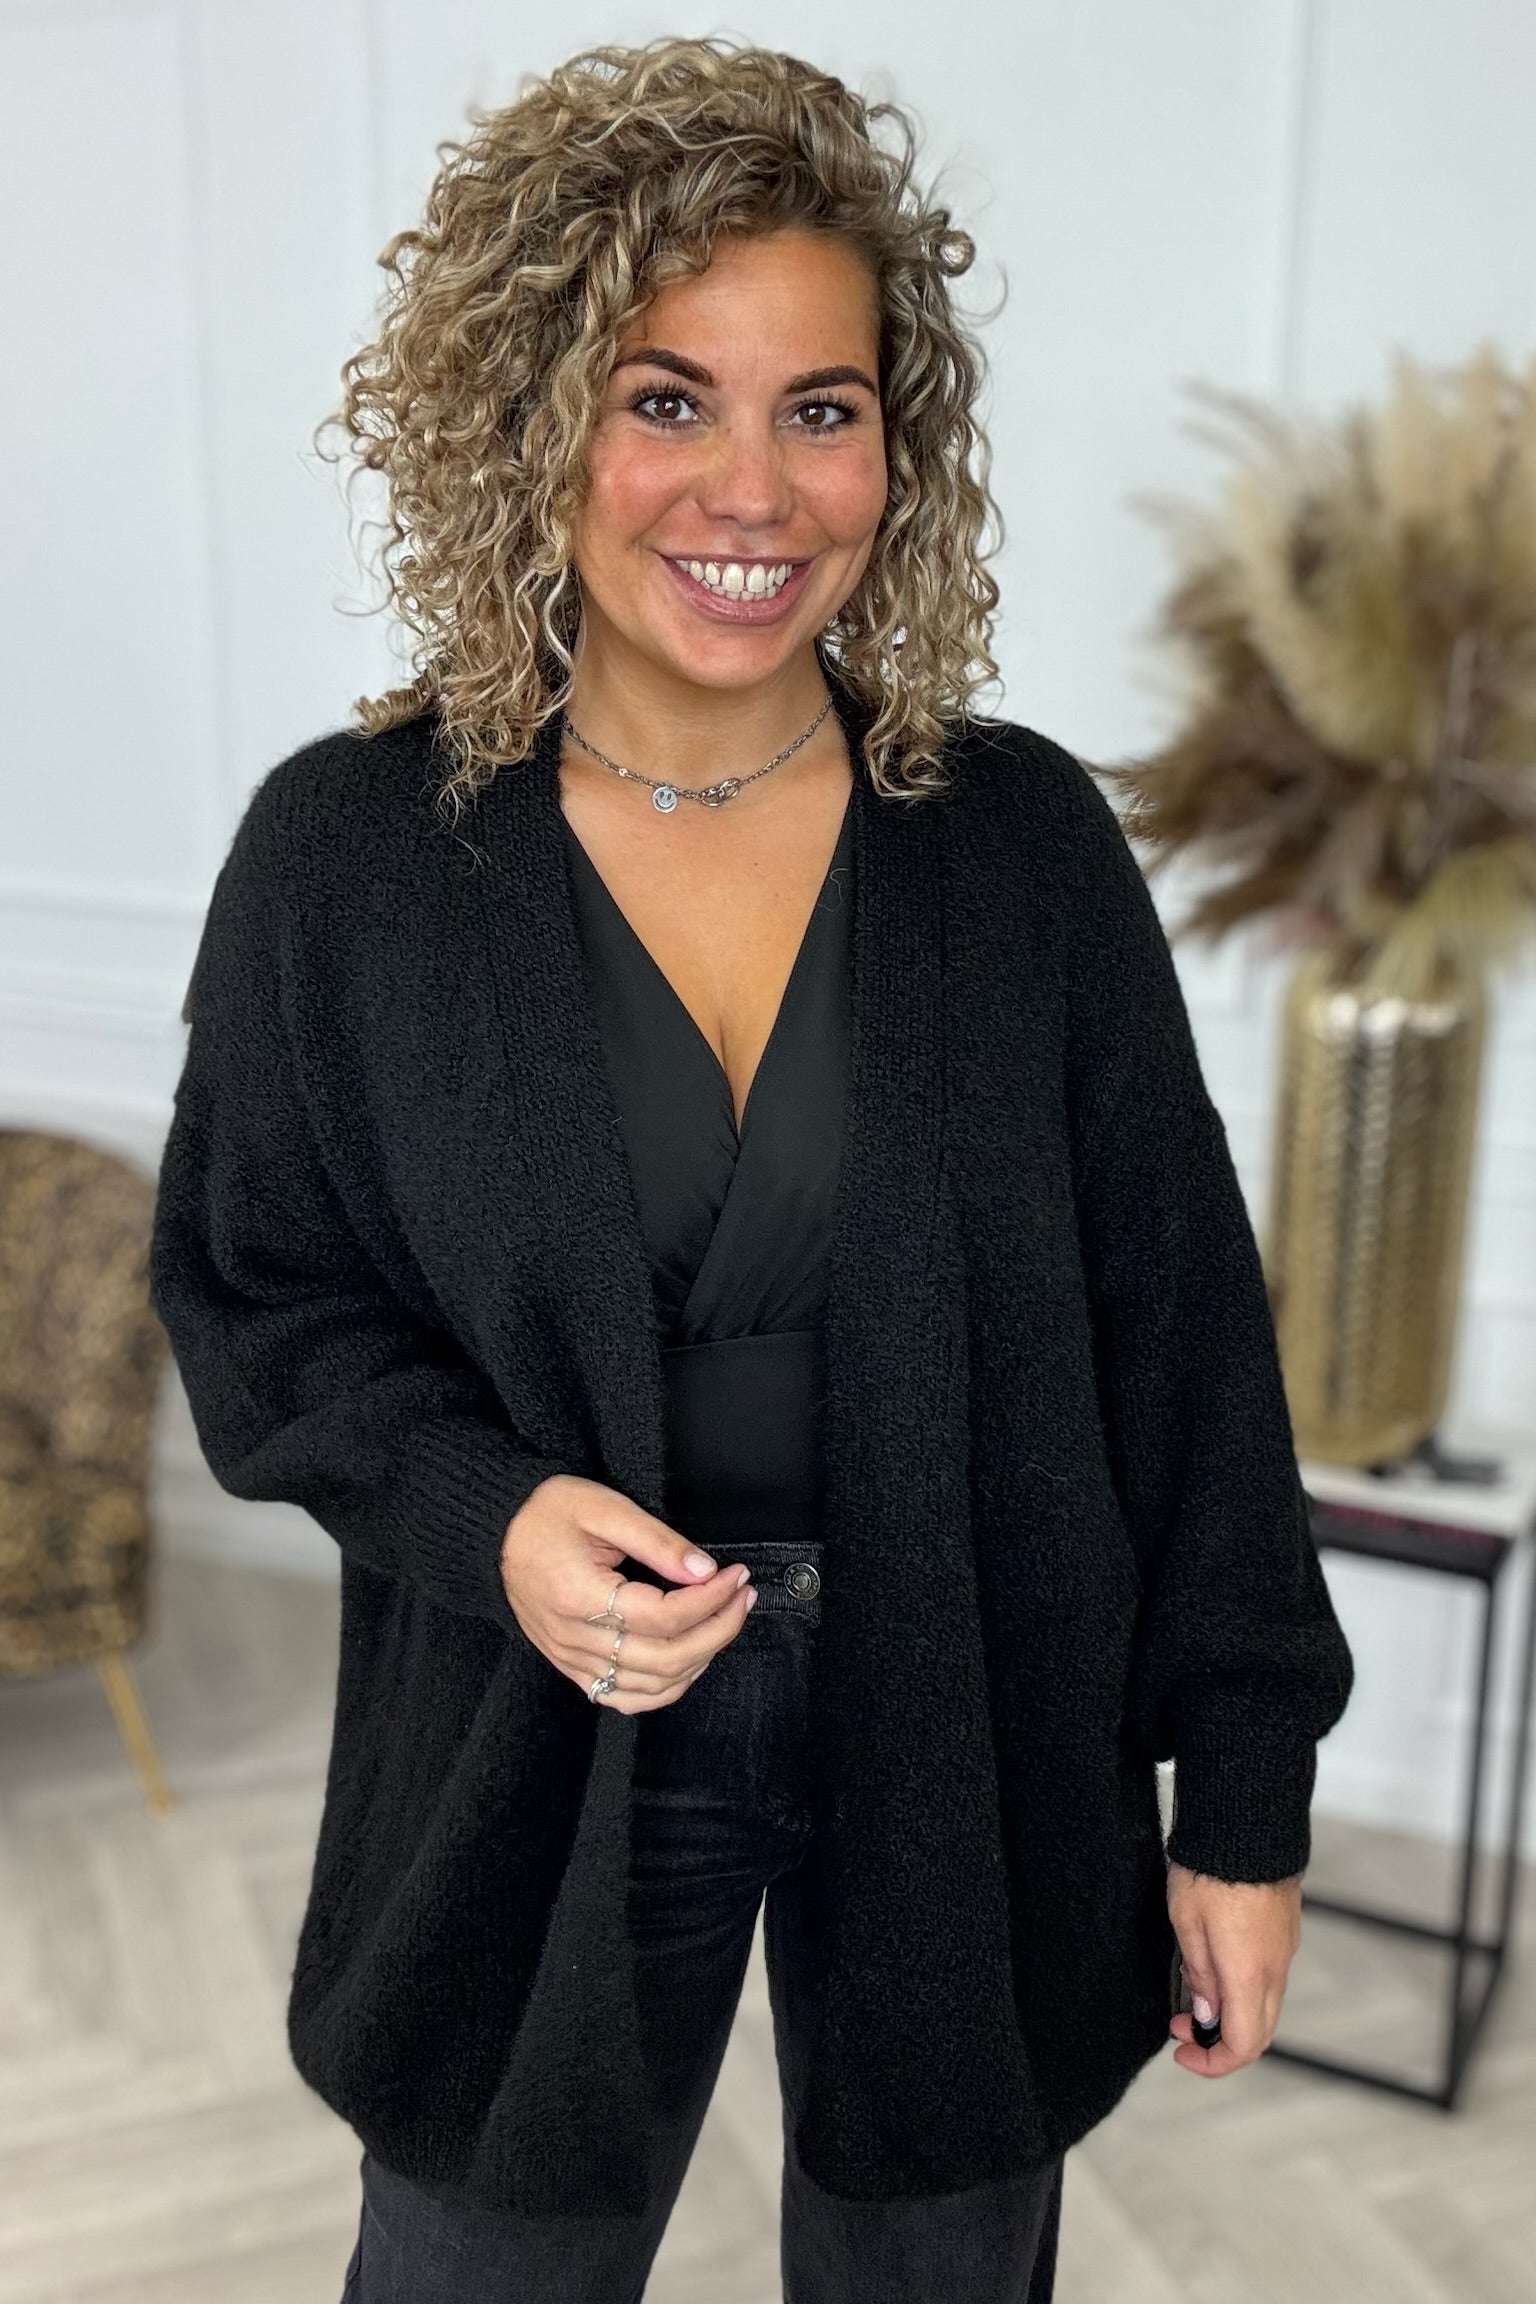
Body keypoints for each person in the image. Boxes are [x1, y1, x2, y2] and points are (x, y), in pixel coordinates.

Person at [147, 34, 1355, 2304]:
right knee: (476, 2262)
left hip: (974, 1703)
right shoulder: (353, 858)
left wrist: (1247, 1795)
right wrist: (489, 1518)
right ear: (530, 421)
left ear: (904, 447)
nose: (756, 487)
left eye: (823, 407)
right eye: (666, 396)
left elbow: (1186, 1342)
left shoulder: (1019, 848)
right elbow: (258, 1300)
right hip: (536, 1724)